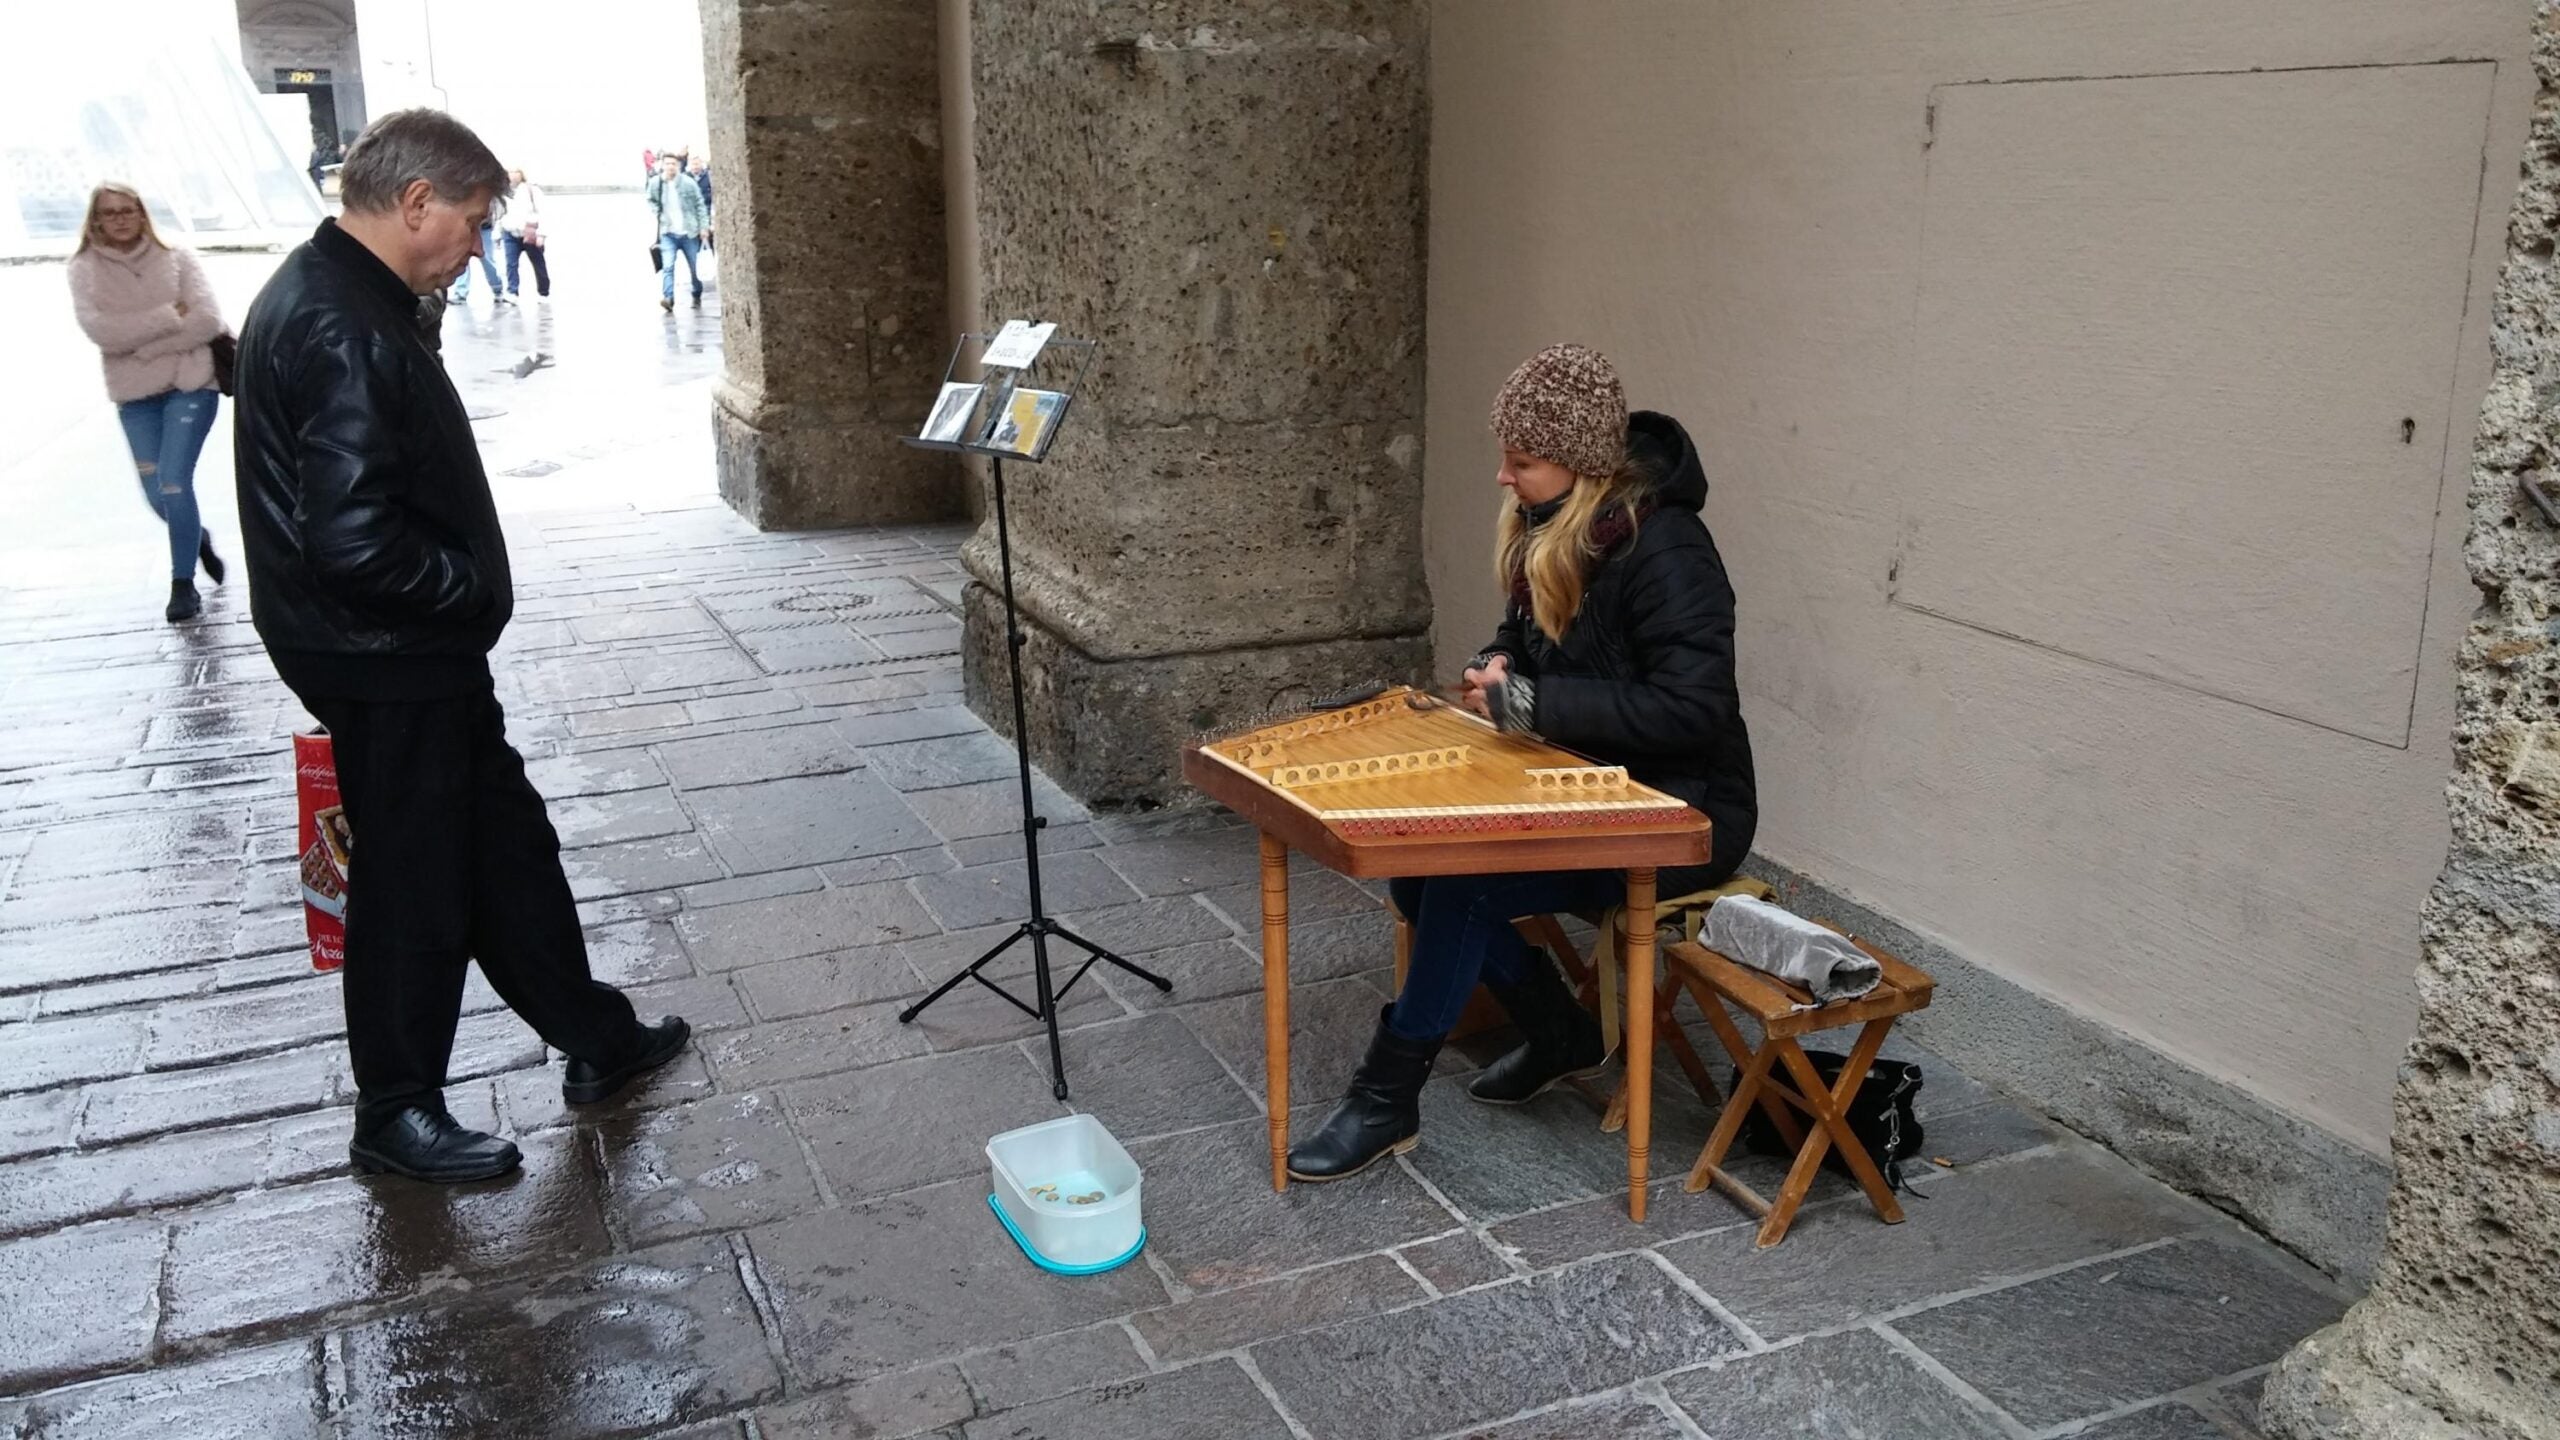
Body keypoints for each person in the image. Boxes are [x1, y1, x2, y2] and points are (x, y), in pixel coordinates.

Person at [232, 109, 690, 1183]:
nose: (478, 245)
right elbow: (350, 537)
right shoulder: (343, 319)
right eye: (473, 222)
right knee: (416, 878)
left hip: (399, 652)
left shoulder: (335, 293)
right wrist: (466, 590)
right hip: (386, 654)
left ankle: (597, 1036)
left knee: (503, 844)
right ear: (416, 202)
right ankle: (395, 1109)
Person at [1287, 343, 1758, 1182]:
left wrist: (1539, 707)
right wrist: (1494, 669)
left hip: (1679, 812)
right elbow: (1521, 640)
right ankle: (1563, 1032)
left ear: (1582, 463)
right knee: (1417, 879)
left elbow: (1695, 711)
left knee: (1462, 887)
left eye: (1523, 461)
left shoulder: (1669, 550)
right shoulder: (1555, 525)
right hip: (1582, 783)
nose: (1504, 477)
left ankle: (1386, 1097)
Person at [66, 182, 231, 623]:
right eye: (110, 212)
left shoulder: (177, 257)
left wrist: (146, 349)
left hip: (190, 383)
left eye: (128, 210)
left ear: (142, 214)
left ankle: (182, 585)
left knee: (175, 481)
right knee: (157, 495)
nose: (120, 218)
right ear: (95, 219)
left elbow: (207, 319)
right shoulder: (83, 268)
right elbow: (101, 331)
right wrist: (165, 317)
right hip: (135, 397)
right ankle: (194, 536)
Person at [644, 152, 707, 312]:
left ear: (678, 166)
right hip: (668, 233)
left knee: (694, 267)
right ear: (663, 165)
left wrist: (703, 227)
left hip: (689, 233)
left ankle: (696, 292)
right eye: (667, 164)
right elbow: (650, 199)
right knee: (668, 266)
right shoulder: (656, 183)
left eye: (673, 164)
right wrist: (657, 211)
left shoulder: (688, 183)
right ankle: (668, 298)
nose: (670, 167)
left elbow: (699, 204)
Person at [498, 167, 549, 300]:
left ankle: (543, 292)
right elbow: (500, 214)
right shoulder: (503, 192)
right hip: (510, 233)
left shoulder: (532, 190)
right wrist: (497, 233)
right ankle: (512, 291)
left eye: (515, 171)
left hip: (530, 233)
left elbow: (544, 212)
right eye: (510, 171)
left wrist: (542, 235)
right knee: (511, 263)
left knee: (538, 264)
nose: (512, 175)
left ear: (521, 174)